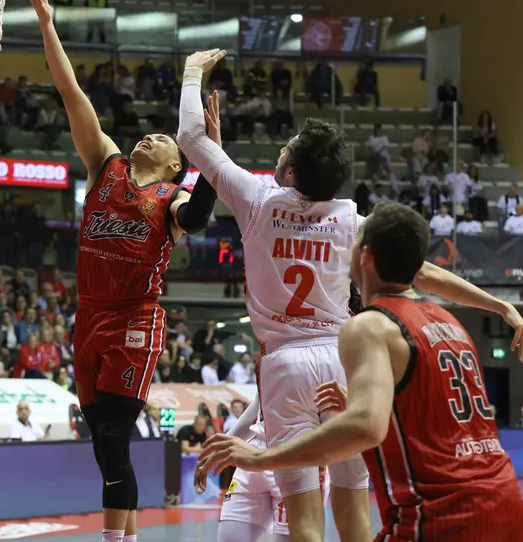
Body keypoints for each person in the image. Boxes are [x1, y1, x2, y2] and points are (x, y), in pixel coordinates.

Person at [177, 49, 523, 542]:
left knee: (303, 521)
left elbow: (190, 137)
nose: (281, 151)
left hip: (287, 364)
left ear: (291, 171)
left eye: (287, 148)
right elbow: (423, 273)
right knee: (354, 510)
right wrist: (501, 305)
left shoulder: (256, 198)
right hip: (344, 358)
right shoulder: (351, 221)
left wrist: (192, 73)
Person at [19, 0, 219, 542]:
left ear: (177, 165)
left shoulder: (173, 198)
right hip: (89, 317)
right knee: (104, 441)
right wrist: (46, 21)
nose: (149, 135)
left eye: (162, 137)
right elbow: (70, 92)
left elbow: (199, 217)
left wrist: (210, 155)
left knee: (112, 435)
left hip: (135, 316)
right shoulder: (104, 164)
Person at [198, 202, 523, 541]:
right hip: (505, 500)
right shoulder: (450, 323)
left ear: (364, 256)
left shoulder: (372, 325)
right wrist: (358, 399)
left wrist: (262, 457)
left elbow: (365, 428)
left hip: (442, 515)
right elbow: (426, 412)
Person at [195, 398, 328, 542]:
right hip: (255, 451)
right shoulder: (265, 376)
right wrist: (221, 445)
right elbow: (259, 403)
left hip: (297, 456)